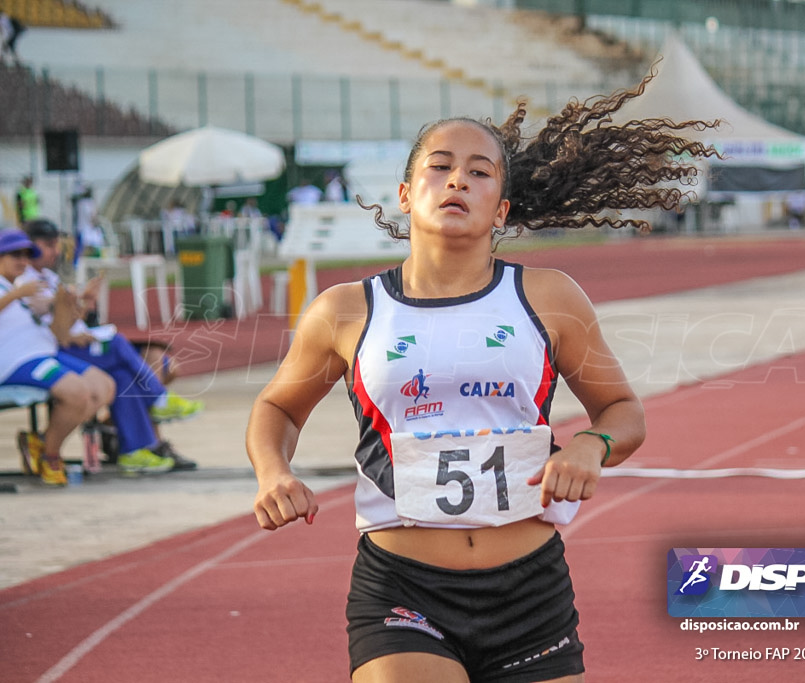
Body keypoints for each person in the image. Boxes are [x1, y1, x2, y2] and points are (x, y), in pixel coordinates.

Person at [247, 73, 718, 681]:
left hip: (530, 589)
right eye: (439, 167)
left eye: (479, 172)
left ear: (501, 208)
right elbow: (277, 409)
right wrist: (273, 472)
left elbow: (624, 411)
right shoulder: (346, 310)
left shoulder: (549, 297)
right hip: (402, 588)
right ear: (404, 193)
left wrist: (589, 444)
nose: (457, 181)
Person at [18, 219, 203, 473]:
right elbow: (55, 331)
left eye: (56, 245)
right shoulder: (23, 281)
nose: (56, 252)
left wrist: (83, 305)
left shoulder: (47, 277)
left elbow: (65, 321)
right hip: (51, 351)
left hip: (70, 343)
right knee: (116, 344)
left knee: (126, 374)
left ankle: (134, 450)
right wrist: (66, 306)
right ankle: (158, 400)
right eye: (48, 245)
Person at [0, 228, 114, 486]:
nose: (22, 260)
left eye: (26, 255)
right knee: (77, 392)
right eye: (14, 254)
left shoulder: (20, 287)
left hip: (42, 352)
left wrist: (79, 305)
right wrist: (16, 295)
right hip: (14, 361)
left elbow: (59, 333)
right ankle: (50, 456)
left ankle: (42, 442)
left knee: (102, 387)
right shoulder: (17, 290)